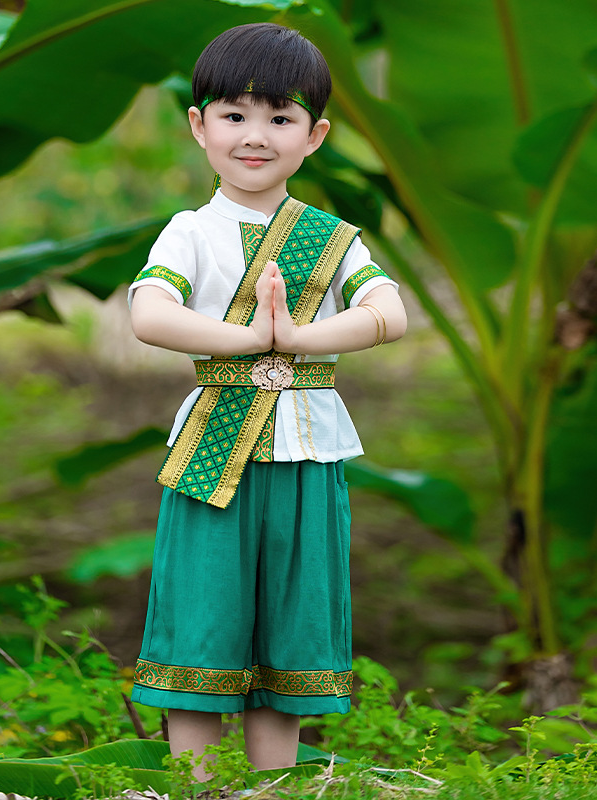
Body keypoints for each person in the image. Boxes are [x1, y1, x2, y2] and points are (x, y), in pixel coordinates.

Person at [127, 22, 407, 780]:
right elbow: (150, 313)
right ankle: (201, 790)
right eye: (235, 115)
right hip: (216, 449)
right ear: (200, 126)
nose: (256, 136)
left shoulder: (334, 239)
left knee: (293, 619)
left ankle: (273, 789)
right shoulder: (191, 232)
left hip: (309, 449)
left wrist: (302, 338)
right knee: (204, 615)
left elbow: (389, 311)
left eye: (280, 118)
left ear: (314, 136)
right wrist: (251, 339)